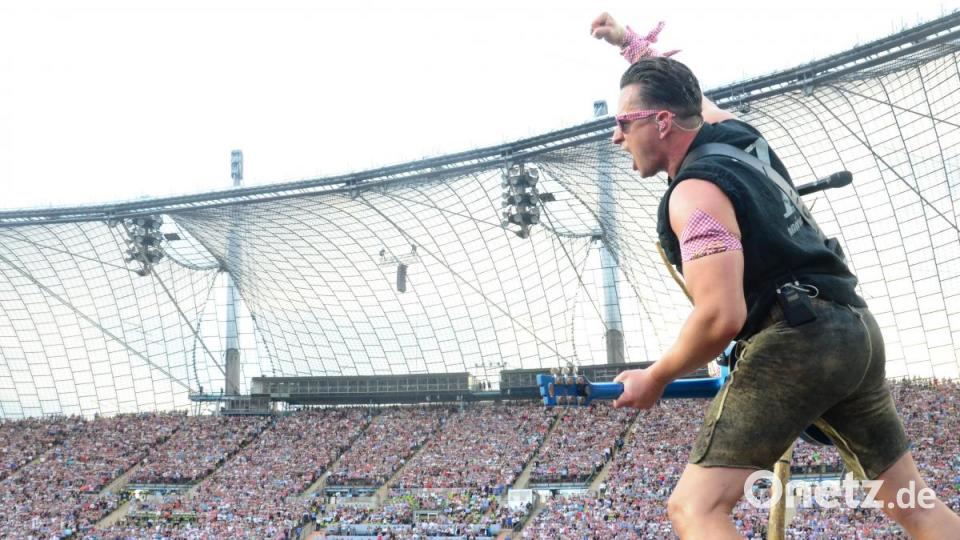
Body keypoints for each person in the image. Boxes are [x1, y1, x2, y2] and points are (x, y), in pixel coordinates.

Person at [590, 12, 960, 539]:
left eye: (625, 123)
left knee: (696, 509)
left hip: (797, 340)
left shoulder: (695, 193)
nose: (616, 136)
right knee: (914, 505)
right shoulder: (737, 136)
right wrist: (631, 46)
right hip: (854, 329)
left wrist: (656, 377)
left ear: (662, 123)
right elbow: (695, 102)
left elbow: (721, 315)